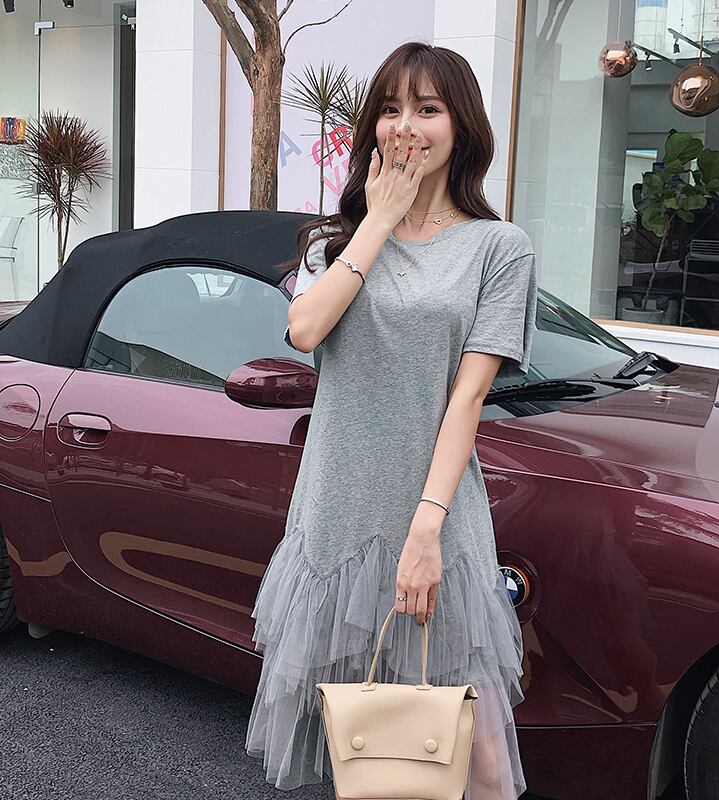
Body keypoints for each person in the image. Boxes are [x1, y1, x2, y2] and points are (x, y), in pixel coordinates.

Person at [245, 40, 537, 800]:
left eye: (428, 109)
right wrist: (379, 220)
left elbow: (466, 400)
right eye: (390, 108)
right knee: (372, 749)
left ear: (461, 126)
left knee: (479, 756)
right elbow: (305, 330)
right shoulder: (334, 241)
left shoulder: (498, 248)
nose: (406, 125)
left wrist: (426, 531)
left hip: (437, 518)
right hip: (337, 519)